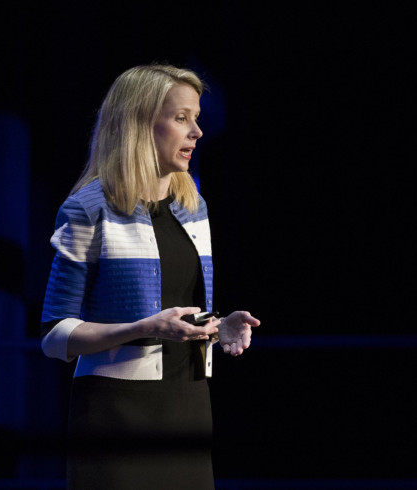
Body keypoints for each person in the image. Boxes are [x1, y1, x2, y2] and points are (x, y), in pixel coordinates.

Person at [40, 64, 260, 490]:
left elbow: (180, 315)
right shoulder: (89, 209)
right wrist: (144, 328)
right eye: (181, 118)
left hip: (189, 408)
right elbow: (55, 336)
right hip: (117, 417)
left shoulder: (194, 206)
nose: (196, 131)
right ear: (139, 124)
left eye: (196, 118)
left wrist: (218, 326)